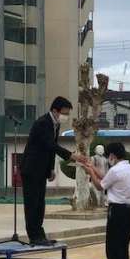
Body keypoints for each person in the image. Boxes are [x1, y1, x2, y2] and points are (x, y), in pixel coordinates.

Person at [20, 97, 85, 246]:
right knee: (32, 204)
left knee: (40, 204)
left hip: (41, 169)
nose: (65, 116)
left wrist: (50, 169)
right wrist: (70, 155)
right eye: (64, 113)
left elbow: (50, 149)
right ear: (55, 110)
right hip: (31, 168)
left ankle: (40, 235)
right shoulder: (43, 123)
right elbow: (50, 145)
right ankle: (34, 236)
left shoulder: (55, 124)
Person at [83, 142, 130, 259]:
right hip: (129, 211)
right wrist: (93, 167)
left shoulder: (115, 170)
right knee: (123, 248)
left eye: (109, 156)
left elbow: (100, 185)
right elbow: (107, 178)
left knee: (113, 248)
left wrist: (90, 172)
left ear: (112, 155)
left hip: (117, 211)